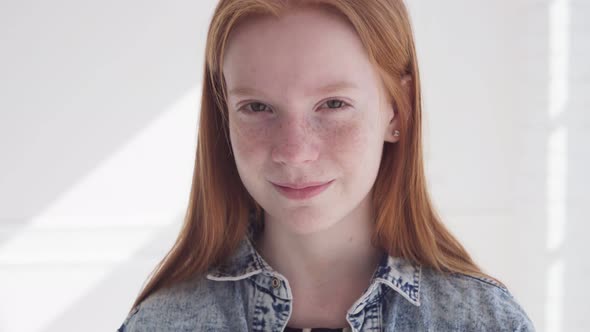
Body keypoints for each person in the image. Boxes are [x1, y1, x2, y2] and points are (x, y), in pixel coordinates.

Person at [118, 0, 535, 331]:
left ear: (397, 110)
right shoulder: (161, 324)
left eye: (333, 104)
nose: (295, 152)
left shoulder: (483, 323)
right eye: (257, 107)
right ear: (224, 116)